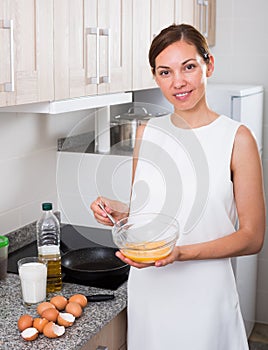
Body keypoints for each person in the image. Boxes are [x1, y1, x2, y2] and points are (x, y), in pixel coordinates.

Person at [90, 24, 265, 350]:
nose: (178, 82)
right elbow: (149, 211)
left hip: (205, 296)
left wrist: (181, 253)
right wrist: (119, 210)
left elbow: (252, 236)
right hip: (149, 293)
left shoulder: (237, 138)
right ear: (155, 77)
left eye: (189, 67)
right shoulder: (147, 133)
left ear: (208, 65)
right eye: (165, 71)